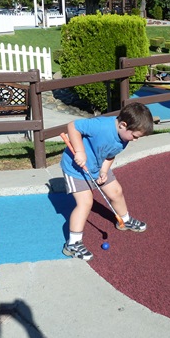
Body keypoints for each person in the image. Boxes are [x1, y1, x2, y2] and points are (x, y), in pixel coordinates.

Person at [61, 102, 154, 261]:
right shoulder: (101, 126)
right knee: (85, 203)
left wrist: (104, 170)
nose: (135, 140)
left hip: (98, 166)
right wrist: (80, 151)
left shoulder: (123, 137)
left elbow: (110, 154)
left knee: (116, 192)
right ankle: (72, 244)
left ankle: (124, 220)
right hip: (75, 169)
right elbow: (73, 126)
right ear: (123, 125)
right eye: (135, 136)